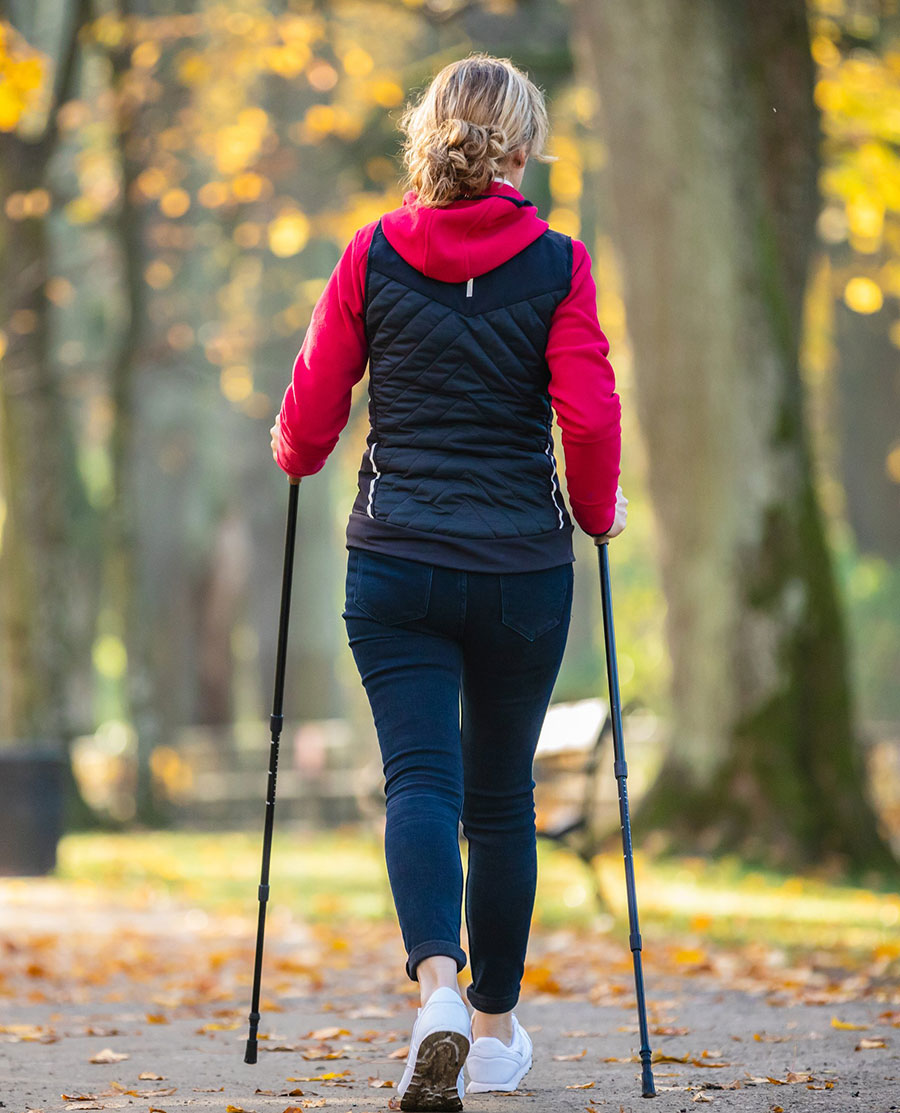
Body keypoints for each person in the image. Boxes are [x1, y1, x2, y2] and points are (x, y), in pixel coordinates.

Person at [270, 50, 627, 1113]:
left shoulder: (372, 253)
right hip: (521, 569)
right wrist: (597, 514)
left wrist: (296, 452)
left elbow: (313, 405)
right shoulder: (560, 263)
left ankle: (436, 985)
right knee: (501, 798)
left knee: (418, 781)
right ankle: (497, 1026)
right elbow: (592, 416)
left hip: (396, 564)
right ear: (523, 147)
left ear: (430, 138)